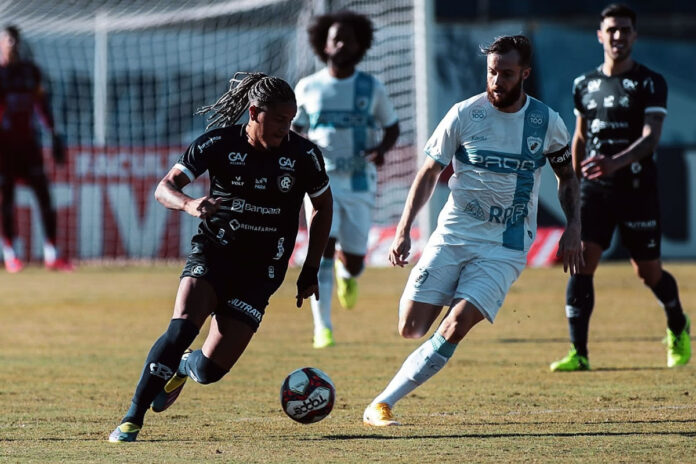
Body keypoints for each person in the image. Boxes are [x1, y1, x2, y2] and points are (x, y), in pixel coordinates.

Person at [363, 35, 583, 426]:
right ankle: (456, 302)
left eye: (507, 73)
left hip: (506, 245)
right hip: (453, 234)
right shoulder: (464, 114)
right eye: (492, 72)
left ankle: (381, 403)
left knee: (456, 324)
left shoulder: (546, 122)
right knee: (411, 328)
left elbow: (567, 177)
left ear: (525, 74)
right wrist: (403, 230)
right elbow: (429, 172)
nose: (497, 80)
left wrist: (573, 226)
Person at [108, 73, 332, 442]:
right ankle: (132, 418)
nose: (286, 129)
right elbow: (164, 188)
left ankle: (182, 366)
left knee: (211, 371)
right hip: (215, 252)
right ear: (254, 112)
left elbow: (323, 206)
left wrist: (310, 270)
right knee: (181, 327)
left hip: (262, 271)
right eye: (279, 120)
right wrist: (190, 204)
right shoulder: (217, 143)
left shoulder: (303, 155)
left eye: (291, 120)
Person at [549, 4, 690, 372]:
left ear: (634, 36)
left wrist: (614, 162)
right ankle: (578, 353)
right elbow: (580, 136)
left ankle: (678, 325)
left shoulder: (650, 82)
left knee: (648, 272)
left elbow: (651, 138)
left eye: (625, 30)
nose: (617, 36)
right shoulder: (584, 84)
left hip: (637, 189)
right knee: (582, 264)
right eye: (611, 29)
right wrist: (572, 176)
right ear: (600, 35)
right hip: (595, 190)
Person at [292, 10, 400, 349]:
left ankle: (347, 273)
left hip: (359, 183)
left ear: (359, 46)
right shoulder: (308, 87)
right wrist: (302, 152)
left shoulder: (372, 88)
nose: (341, 44)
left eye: (348, 39)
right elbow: (295, 128)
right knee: (322, 247)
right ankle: (322, 328)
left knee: (353, 260)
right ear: (323, 45)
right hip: (321, 182)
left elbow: (392, 126)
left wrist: (381, 149)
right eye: (335, 38)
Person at [0, 25, 72, 272]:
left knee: (44, 198)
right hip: (4, 148)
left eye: (15, 39)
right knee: (5, 201)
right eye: (7, 39)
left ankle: (52, 254)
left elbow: (41, 105)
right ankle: (12, 255)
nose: (12, 44)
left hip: (29, 145)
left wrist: (53, 134)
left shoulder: (31, 72)